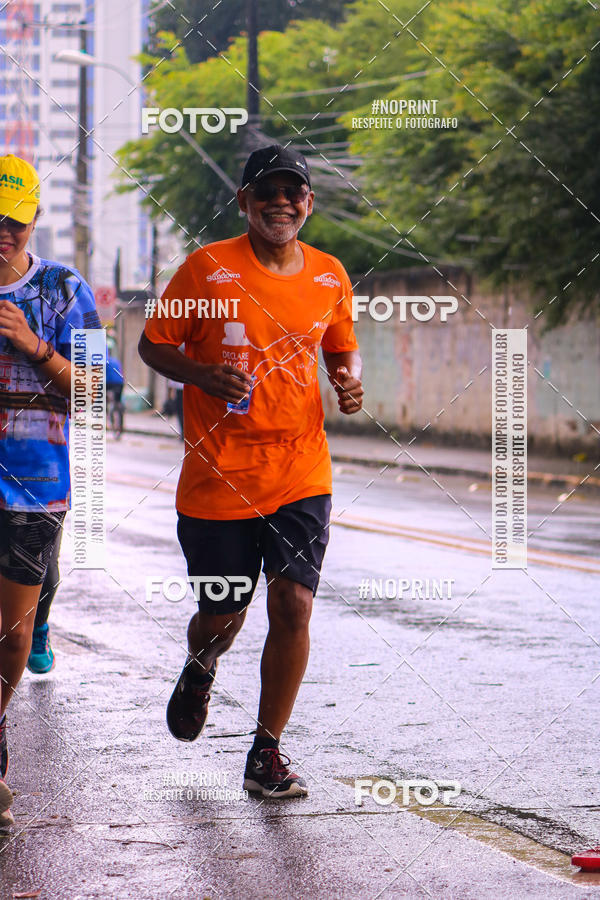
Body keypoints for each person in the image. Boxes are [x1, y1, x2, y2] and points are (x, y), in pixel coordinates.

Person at [139, 144, 363, 798]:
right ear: (244, 201)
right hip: (218, 475)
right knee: (223, 610)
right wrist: (203, 373)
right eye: (267, 191)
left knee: (293, 603)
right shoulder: (206, 270)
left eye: (294, 192)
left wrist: (348, 384)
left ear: (309, 203)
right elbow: (154, 344)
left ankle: (266, 751)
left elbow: (341, 352)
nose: (281, 202)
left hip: (300, 469)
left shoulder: (329, 275)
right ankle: (201, 663)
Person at [0, 154, 101, 824]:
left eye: (14, 220)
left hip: (32, 489)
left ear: (34, 217)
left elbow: (94, 390)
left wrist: (34, 346)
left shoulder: (64, 290)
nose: (3, 232)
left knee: (10, 637)